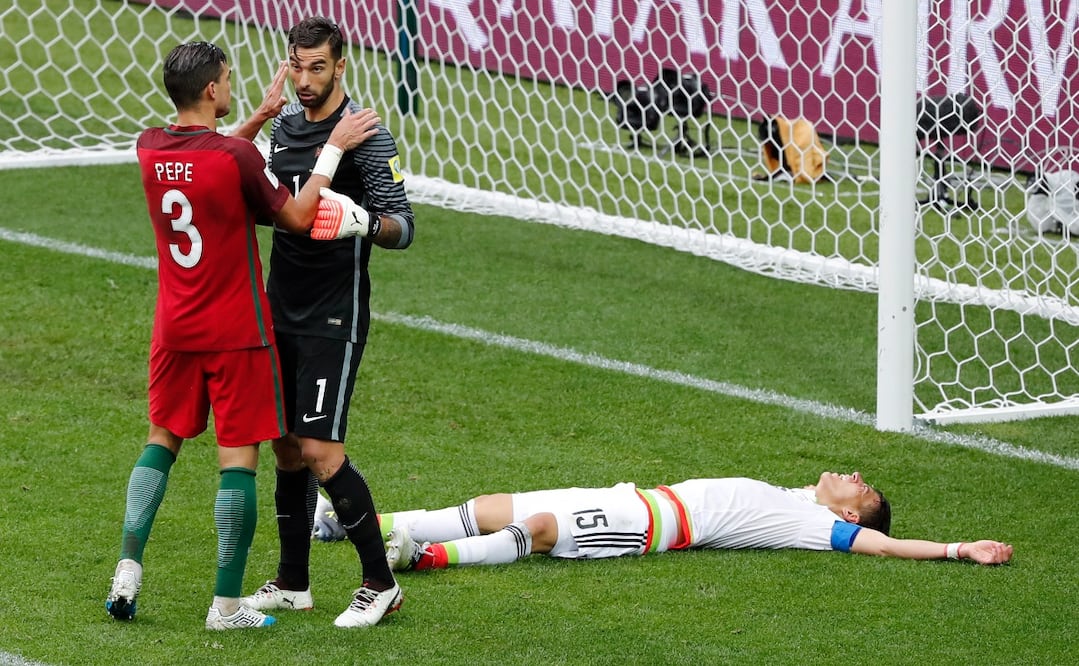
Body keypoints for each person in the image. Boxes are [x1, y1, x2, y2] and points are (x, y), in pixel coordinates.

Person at [105, 40, 378, 631]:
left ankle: (127, 567)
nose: (232, 87)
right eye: (227, 79)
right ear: (211, 90)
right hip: (236, 331)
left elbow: (213, 159)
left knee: (162, 441)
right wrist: (332, 147)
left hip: (174, 327)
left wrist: (251, 120)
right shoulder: (234, 158)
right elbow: (300, 217)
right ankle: (226, 606)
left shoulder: (148, 146)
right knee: (238, 462)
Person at [238, 17, 416, 629]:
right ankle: (293, 581)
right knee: (285, 446)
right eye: (297, 65)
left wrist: (362, 222)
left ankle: (380, 583)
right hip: (278, 307)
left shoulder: (365, 134)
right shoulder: (284, 128)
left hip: (333, 318)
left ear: (341, 66)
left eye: (319, 67)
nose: (306, 79)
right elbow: (259, 204)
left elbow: (404, 225)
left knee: (320, 449)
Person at [310, 471, 1012, 568]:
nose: (851, 475)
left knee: (545, 531)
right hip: (633, 496)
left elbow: (882, 547)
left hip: (648, 528)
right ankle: (352, 521)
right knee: (494, 506)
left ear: (854, 511)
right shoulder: (801, 495)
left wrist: (954, 549)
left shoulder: (815, 526)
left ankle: (422, 559)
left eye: (861, 487)